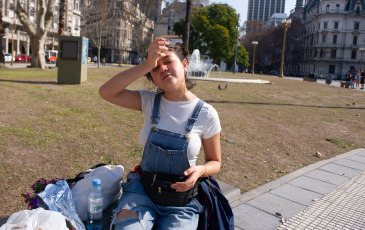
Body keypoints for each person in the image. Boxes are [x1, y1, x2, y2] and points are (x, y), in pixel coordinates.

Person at [99, 37, 222, 230]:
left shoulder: (206, 114)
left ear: (184, 64)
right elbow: (106, 92)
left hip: (181, 203)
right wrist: (146, 64)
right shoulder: (148, 101)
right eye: (155, 68)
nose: (162, 69)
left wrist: (201, 171)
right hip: (141, 193)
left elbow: (215, 162)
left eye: (168, 62)